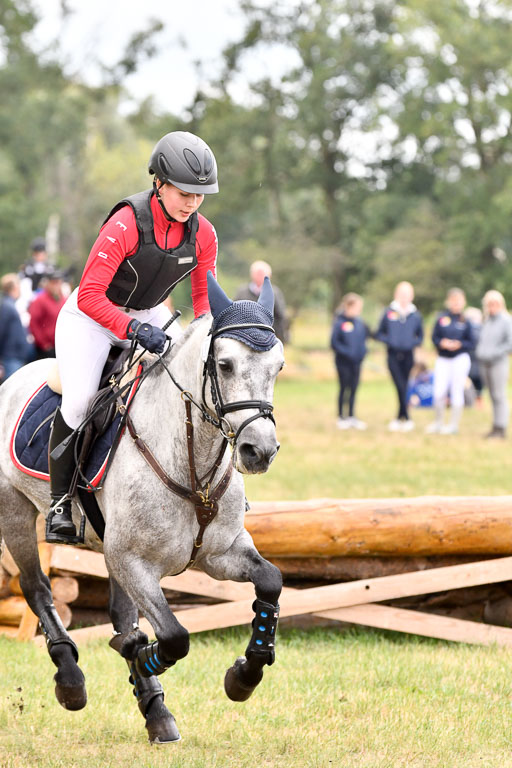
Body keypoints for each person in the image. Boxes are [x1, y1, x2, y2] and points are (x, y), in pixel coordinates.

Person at [47, 131, 219, 543]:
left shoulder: (204, 235)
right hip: (90, 317)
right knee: (81, 400)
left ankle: (214, 486)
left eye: (200, 195)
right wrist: (133, 329)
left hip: (150, 315)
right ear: (159, 183)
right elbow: (90, 295)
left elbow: (203, 301)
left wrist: (207, 340)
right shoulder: (125, 222)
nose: (193, 203)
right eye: (184, 193)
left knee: (196, 383)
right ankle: (59, 504)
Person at [375, 281, 423, 432]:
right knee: (400, 385)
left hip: (408, 355)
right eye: (402, 294)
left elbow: (420, 336)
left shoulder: (415, 315)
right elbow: (379, 333)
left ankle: (400, 417)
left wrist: (412, 342)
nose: (404, 297)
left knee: (405, 385)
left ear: (412, 296)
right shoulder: (389, 313)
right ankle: (405, 417)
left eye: (407, 294)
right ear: (396, 295)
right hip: (393, 355)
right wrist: (390, 341)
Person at [427, 288, 476, 435]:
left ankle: (453, 425)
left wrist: (459, 344)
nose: (455, 303)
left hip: (459, 358)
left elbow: (472, 342)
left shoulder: (466, 321)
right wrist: (441, 343)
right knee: (439, 391)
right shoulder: (441, 318)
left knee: (456, 390)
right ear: (448, 301)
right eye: (453, 300)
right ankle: (438, 422)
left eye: (458, 300)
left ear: (463, 302)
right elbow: (434, 338)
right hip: (443, 358)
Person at [475, 290, 512, 439]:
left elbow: (510, 344)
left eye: (495, 303)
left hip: (498, 362)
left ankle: (501, 427)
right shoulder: (487, 320)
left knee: (499, 395)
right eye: (490, 304)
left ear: (501, 304)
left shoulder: (506, 321)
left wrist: (494, 353)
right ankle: (495, 426)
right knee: (491, 395)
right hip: (484, 363)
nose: (492, 306)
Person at [330, 292, 369, 430]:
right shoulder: (339, 323)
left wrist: (363, 352)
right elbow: (334, 343)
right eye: (357, 306)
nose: (359, 310)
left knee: (354, 388)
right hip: (343, 363)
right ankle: (342, 417)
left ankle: (352, 416)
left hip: (357, 363)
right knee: (343, 388)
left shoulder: (360, 323)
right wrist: (348, 354)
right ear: (348, 306)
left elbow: (364, 341)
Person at [235, 261, 289, 343]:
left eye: (262, 273)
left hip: (268, 337)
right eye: (257, 273)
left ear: (269, 275)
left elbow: (281, 316)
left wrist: (281, 338)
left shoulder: (275, 292)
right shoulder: (242, 292)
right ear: (251, 274)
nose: (259, 276)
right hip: (244, 337)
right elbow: (234, 313)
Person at [0, 274, 31, 380]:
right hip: (10, 358)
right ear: (14, 287)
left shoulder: (10, 305)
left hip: (15, 357)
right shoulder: (7, 306)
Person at [28, 272, 66, 359]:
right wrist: (43, 343)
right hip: (46, 348)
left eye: (58, 283)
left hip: (60, 346)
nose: (56, 286)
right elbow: (33, 323)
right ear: (48, 284)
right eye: (54, 283)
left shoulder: (63, 299)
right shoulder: (40, 300)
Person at [465, 306, 484, 408]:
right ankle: (476, 400)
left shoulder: (475, 328)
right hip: (476, 358)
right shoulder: (481, 328)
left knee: (471, 380)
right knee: (477, 381)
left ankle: (473, 400)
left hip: (473, 358)